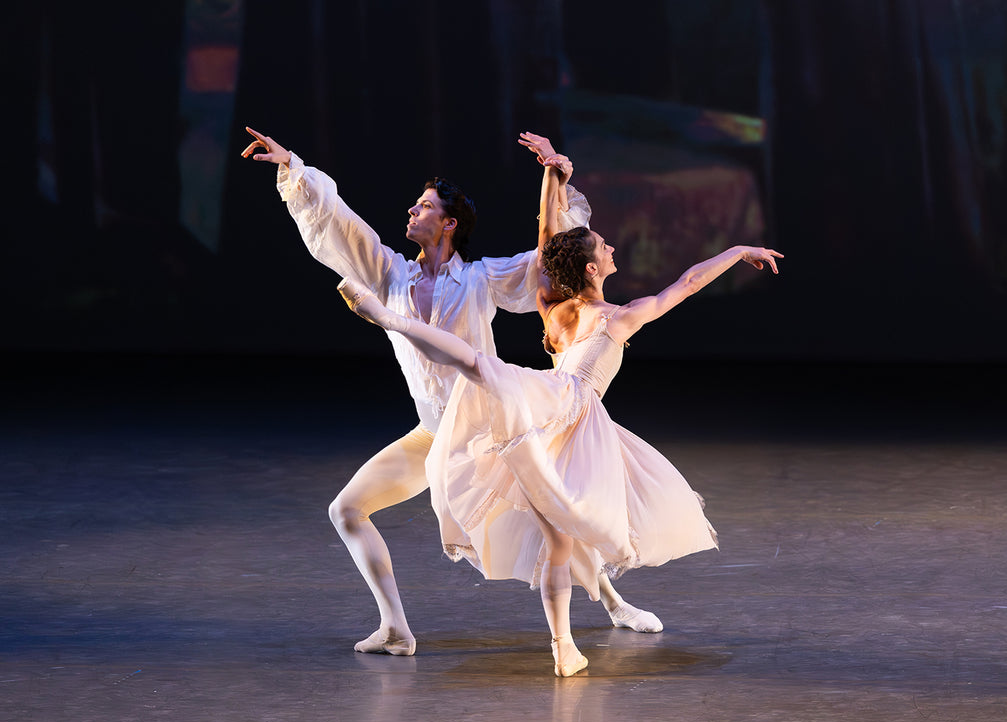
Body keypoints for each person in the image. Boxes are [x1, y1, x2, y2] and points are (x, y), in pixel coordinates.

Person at [334, 155, 783, 676]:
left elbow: (550, 245)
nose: (611, 248)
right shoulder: (618, 318)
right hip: (567, 411)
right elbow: (685, 283)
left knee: (487, 382)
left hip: (553, 418)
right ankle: (567, 643)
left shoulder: (554, 307)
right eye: (605, 247)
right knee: (557, 522)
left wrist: (551, 180)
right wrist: (738, 249)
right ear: (593, 268)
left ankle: (583, 630)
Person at [240, 127, 664, 658]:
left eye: (425, 206)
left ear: (449, 223)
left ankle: (612, 603)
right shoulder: (389, 274)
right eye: (415, 204)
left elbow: (549, 259)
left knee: (557, 521)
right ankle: (396, 628)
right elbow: (340, 224)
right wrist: (292, 169)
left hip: (492, 431)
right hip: (435, 434)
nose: (412, 211)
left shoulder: (482, 279)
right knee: (346, 510)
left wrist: (555, 181)